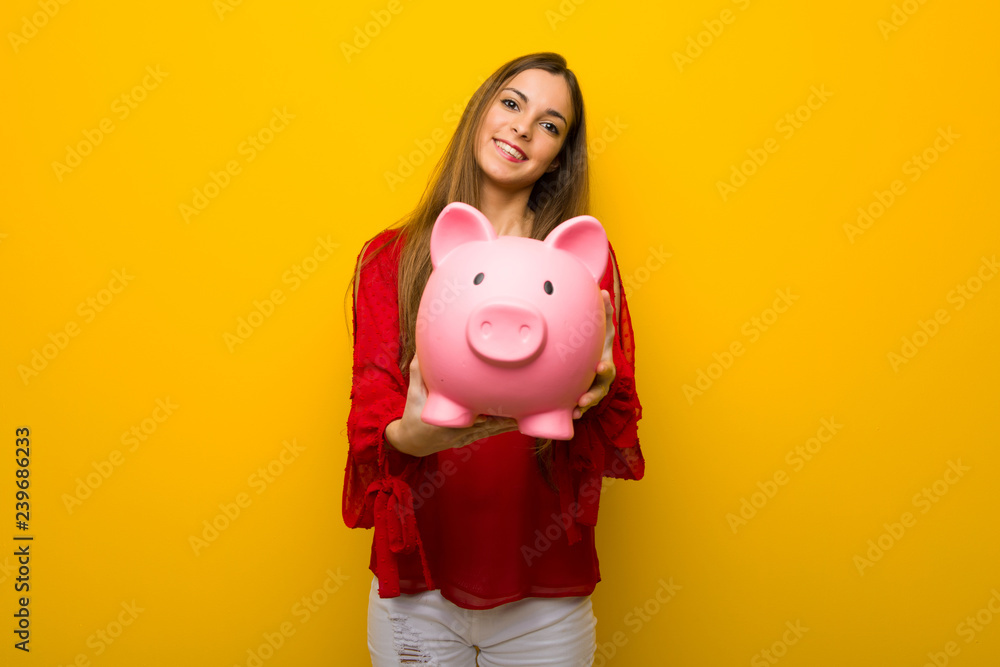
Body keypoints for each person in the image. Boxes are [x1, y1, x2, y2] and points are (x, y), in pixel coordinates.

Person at [344, 52, 644, 666]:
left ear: (558, 155)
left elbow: (616, 412)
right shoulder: (391, 258)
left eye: (550, 124)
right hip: (417, 587)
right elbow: (372, 428)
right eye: (511, 103)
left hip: (544, 595)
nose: (523, 128)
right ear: (480, 111)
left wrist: (600, 391)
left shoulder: (584, 264)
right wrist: (418, 436)